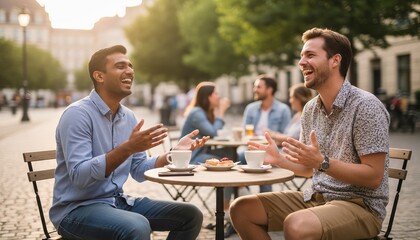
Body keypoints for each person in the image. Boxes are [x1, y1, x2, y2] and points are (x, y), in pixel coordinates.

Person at [230, 28, 390, 240]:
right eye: (302, 56)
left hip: (360, 206)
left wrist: (323, 162)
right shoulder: (311, 108)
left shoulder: (366, 106)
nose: (301, 62)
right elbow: (307, 169)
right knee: (241, 209)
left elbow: (374, 177)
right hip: (317, 198)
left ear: (335, 60)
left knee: (296, 225)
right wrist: (279, 159)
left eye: (310, 55)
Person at [50, 45, 209, 240]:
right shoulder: (77, 115)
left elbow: (139, 169)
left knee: (190, 215)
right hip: (76, 210)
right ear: (99, 76)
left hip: (117, 201)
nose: (130, 71)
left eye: (130, 66)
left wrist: (173, 154)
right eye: (120, 66)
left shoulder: (128, 117)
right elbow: (79, 176)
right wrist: (127, 148)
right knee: (137, 225)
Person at [180, 81, 234, 165]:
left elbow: (217, 132)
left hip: (203, 151)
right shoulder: (196, 113)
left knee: (231, 152)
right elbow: (213, 132)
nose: (219, 97)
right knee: (224, 160)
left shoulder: (206, 112)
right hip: (192, 156)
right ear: (208, 97)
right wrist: (221, 111)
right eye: (216, 94)